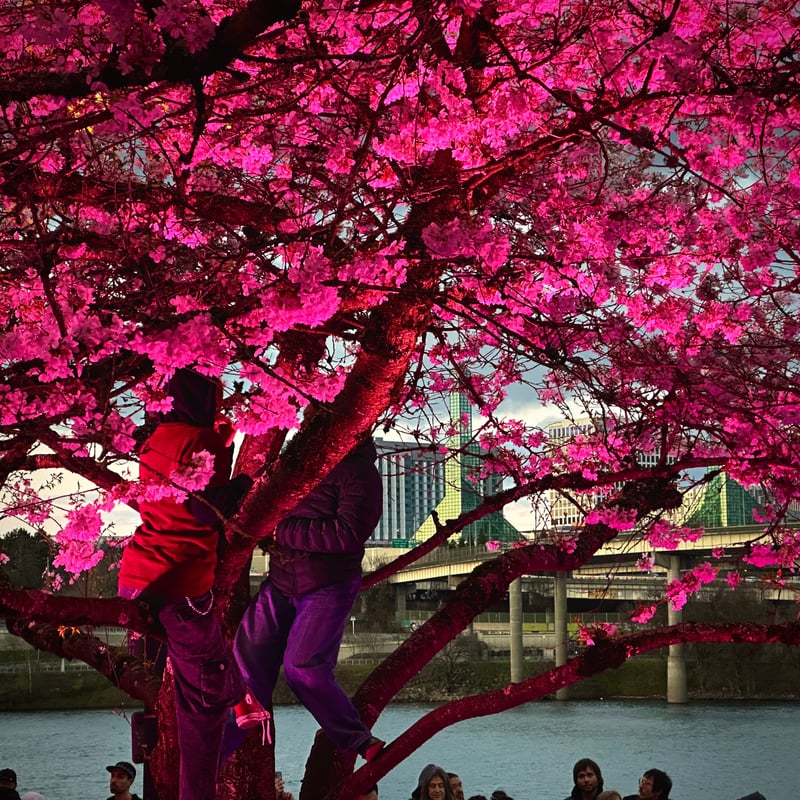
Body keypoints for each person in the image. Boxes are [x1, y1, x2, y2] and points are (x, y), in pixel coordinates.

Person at [118, 367, 253, 800]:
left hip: (139, 576)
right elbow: (202, 511)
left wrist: (220, 443)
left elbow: (182, 482)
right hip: (181, 585)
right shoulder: (204, 442)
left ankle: (244, 701)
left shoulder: (155, 440)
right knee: (201, 705)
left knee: (179, 682)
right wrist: (246, 484)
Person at [225, 436, 385, 762]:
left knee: (303, 668)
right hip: (282, 579)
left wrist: (280, 531)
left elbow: (348, 533)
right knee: (244, 665)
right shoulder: (296, 460)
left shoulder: (359, 472)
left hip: (328, 583)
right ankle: (209, 764)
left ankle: (357, 741)